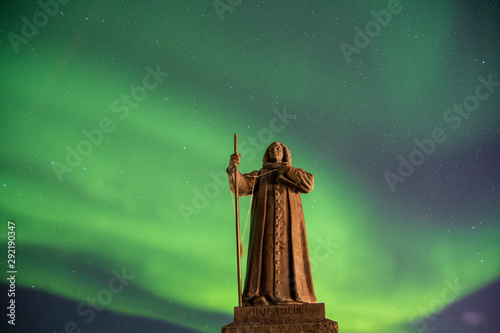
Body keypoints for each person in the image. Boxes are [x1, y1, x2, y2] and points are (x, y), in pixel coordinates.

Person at [227, 141, 317, 306]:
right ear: (267, 154)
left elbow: (309, 185)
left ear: (284, 153)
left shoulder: (293, 172)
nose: (274, 150)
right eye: (271, 148)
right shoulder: (260, 175)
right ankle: (261, 295)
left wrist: (288, 169)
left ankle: (292, 296)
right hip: (265, 224)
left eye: (278, 148)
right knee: (265, 255)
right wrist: (233, 167)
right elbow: (241, 186)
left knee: (290, 256)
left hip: (290, 225)